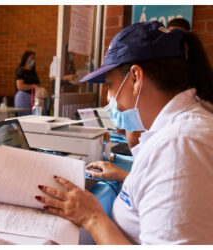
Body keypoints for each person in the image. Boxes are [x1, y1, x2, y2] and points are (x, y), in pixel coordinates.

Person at [35, 21, 213, 244]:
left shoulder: (179, 146)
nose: (109, 99)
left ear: (136, 78)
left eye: (109, 84)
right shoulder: (180, 131)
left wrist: (92, 217)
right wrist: (127, 174)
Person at [14, 51, 39, 116]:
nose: (33, 60)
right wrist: (33, 86)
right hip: (23, 97)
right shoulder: (21, 71)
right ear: (26, 59)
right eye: (31, 58)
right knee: (24, 117)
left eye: (34, 58)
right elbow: (20, 86)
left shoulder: (32, 71)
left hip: (33, 97)